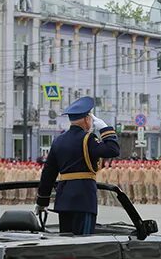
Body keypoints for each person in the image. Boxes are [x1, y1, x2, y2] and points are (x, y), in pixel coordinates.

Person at [36, 97, 120, 235]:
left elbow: (48, 174)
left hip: (64, 200)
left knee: (65, 242)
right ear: (87, 119)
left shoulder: (58, 141)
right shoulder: (88, 139)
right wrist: (106, 130)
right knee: (83, 243)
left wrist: (42, 202)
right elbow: (113, 150)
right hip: (84, 199)